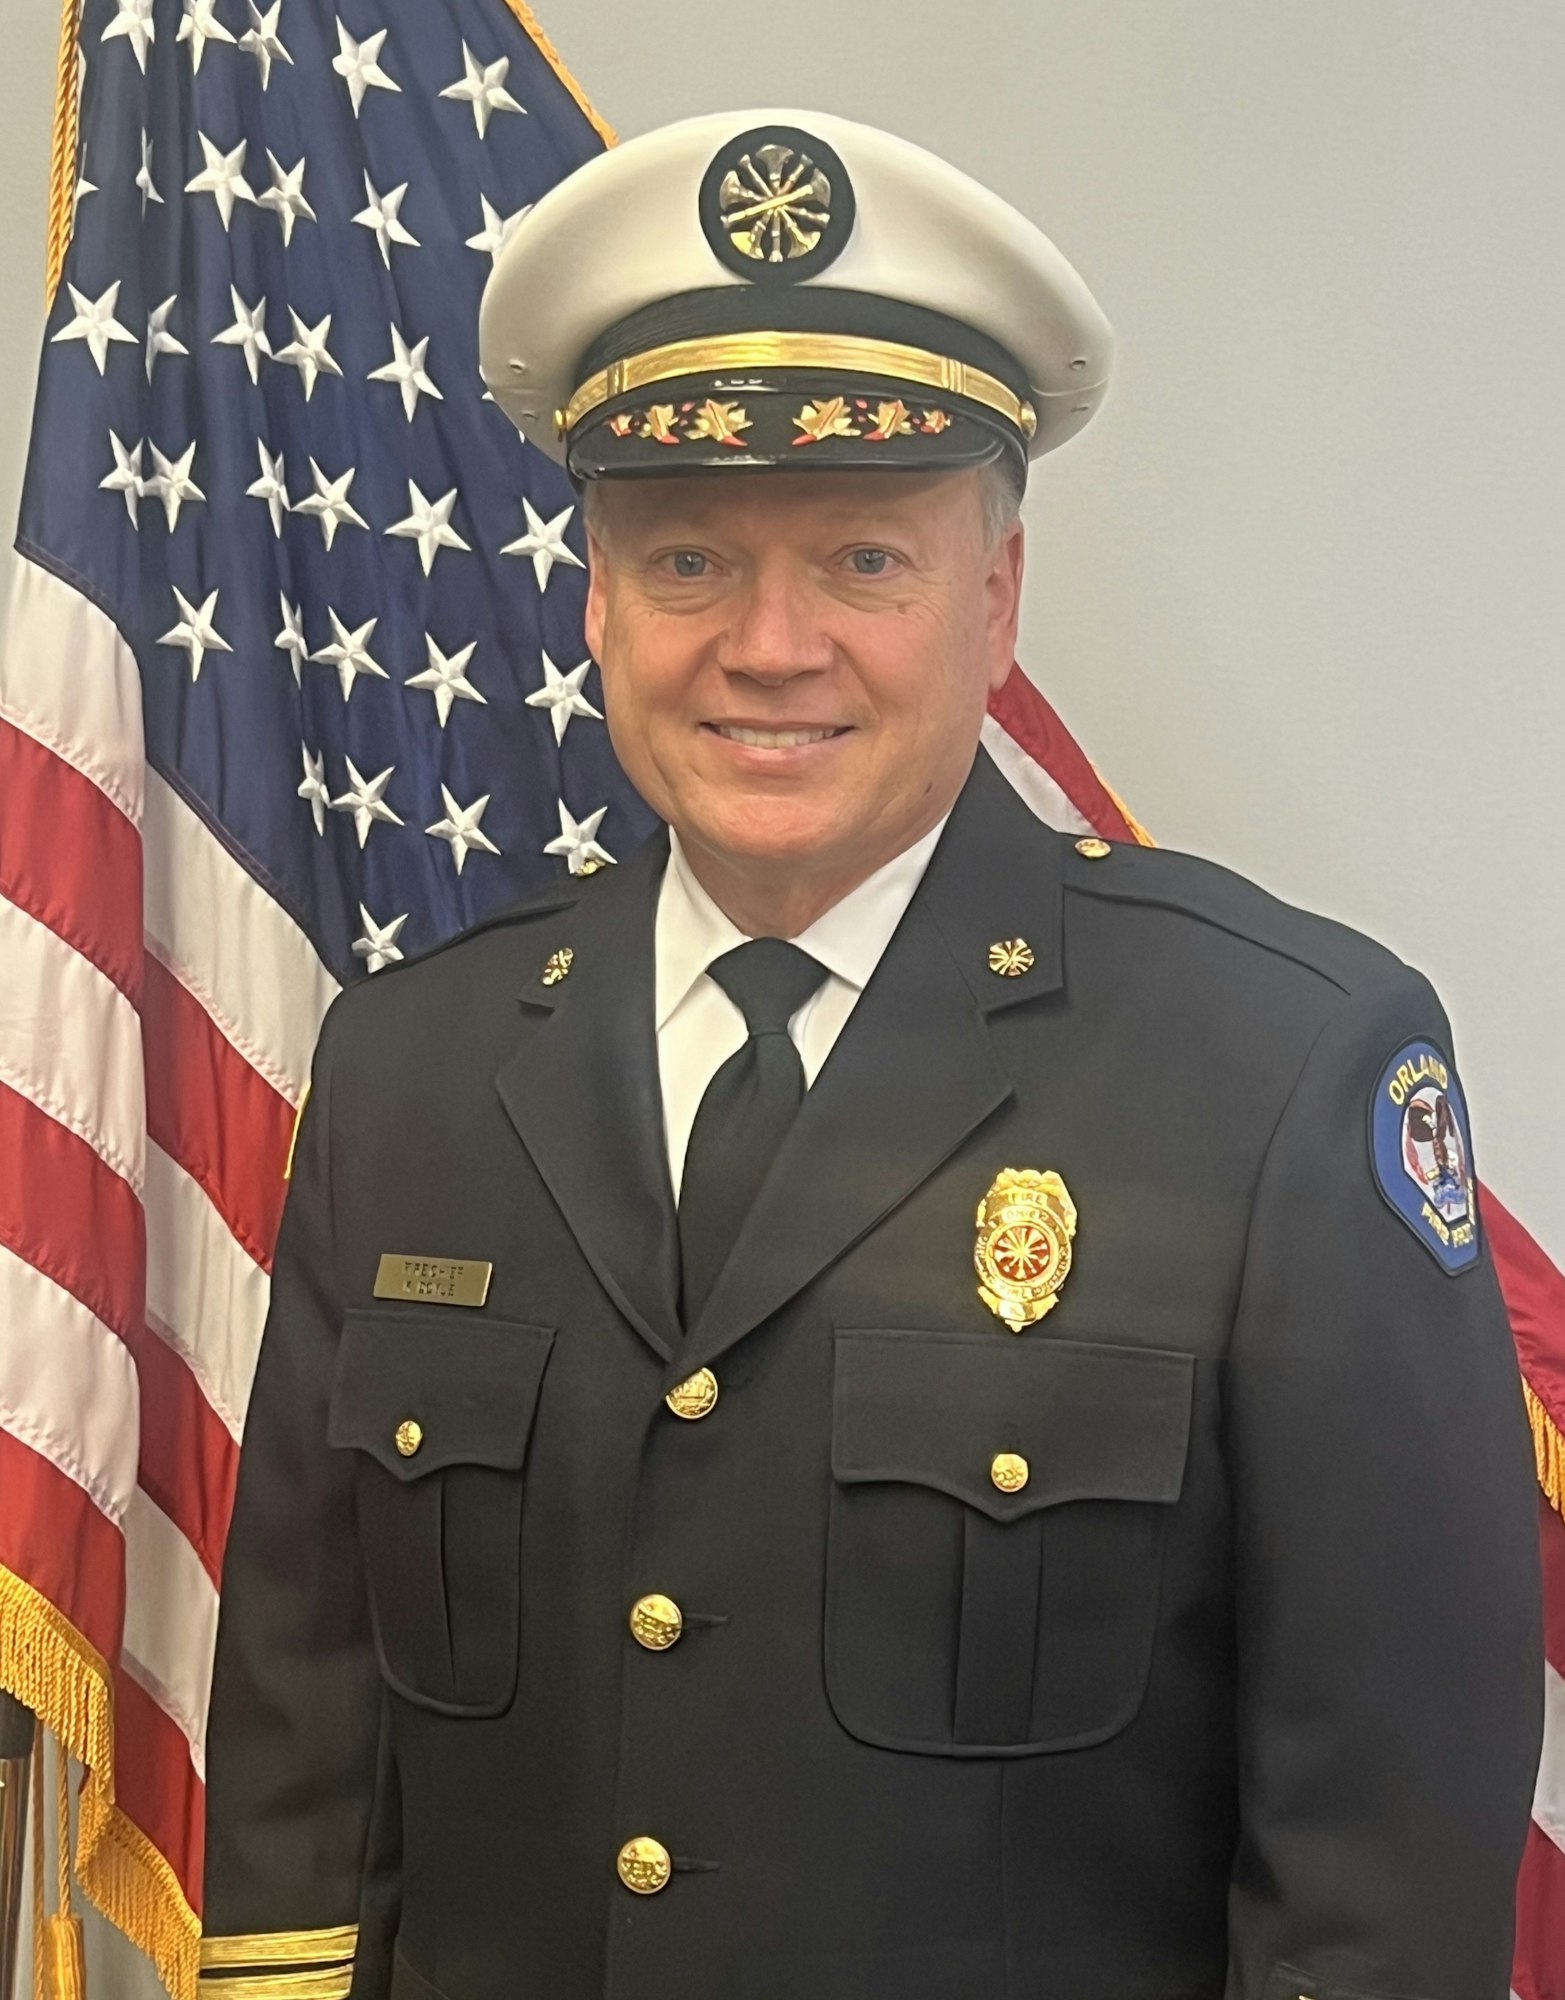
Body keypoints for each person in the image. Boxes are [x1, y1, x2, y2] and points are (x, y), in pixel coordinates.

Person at [198, 108, 1541, 2000]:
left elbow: (1377, 1866)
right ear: (592, 601)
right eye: (682, 564)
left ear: (992, 601)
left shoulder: (1276, 1070)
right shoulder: (410, 1068)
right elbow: (304, 1756)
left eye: (858, 558)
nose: (768, 645)